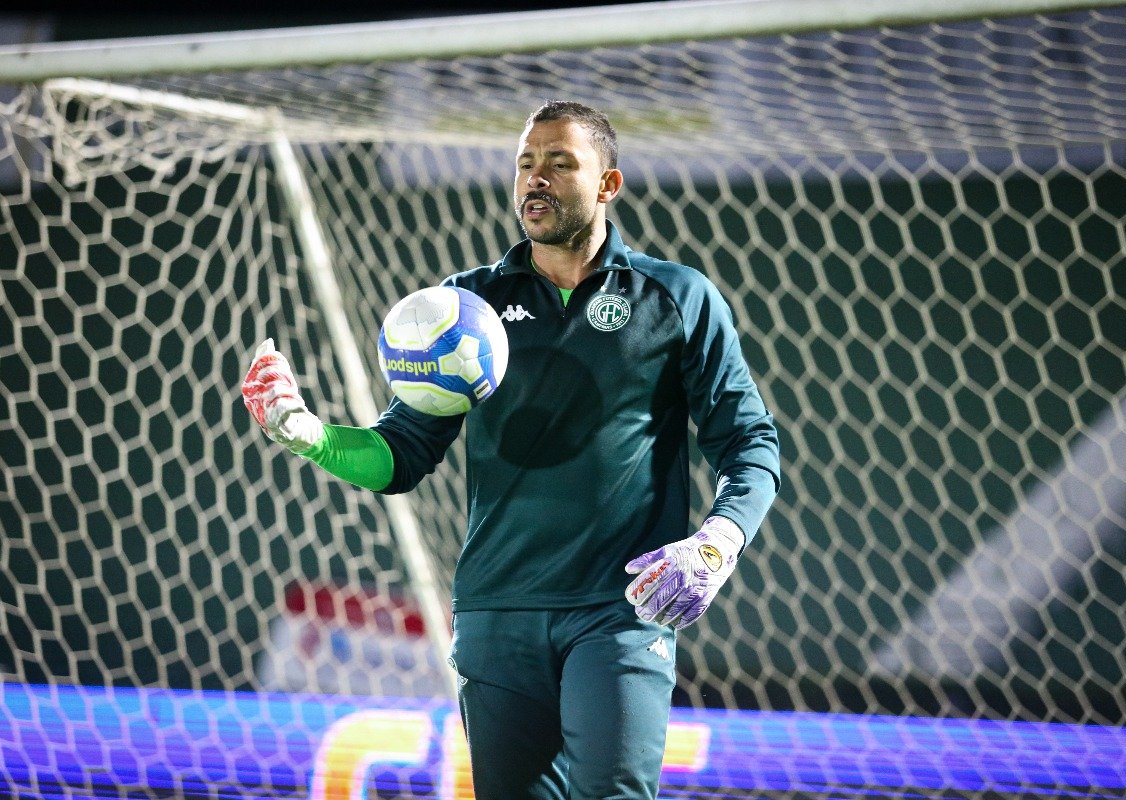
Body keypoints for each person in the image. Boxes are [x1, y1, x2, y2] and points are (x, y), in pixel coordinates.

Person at [242, 100, 780, 800]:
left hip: (618, 612)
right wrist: (305, 434)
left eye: (561, 163)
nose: (537, 179)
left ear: (608, 185)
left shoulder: (677, 297)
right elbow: (400, 456)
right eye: (526, 163)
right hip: (497, 616)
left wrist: (716, 544)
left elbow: (750, 444)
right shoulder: (463, 306)